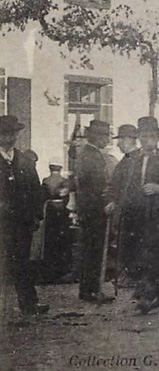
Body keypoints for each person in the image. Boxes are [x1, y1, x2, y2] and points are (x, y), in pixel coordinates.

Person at [105, 116, 159, 314]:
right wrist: (111, 201)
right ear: (139, 138)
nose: (148, 141)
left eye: (152, 136)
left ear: (158, 137)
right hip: (134, 218)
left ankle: (148, 296)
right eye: (144, 137)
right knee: (134, 258)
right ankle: (151, 293)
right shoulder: (130, 161)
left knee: (152, 258)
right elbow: (116, 184)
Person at [0, 115, 48, 317]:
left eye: (13, 134)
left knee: (22, 262)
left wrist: (36, 216)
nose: (9, 138)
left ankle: (29, 303)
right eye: (4, 134)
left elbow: (36, 191)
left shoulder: (25, 161)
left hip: (21, 222)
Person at [74, 120, 113, 301]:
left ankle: (88, 289)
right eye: (104, 136)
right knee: (94, 252)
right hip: (95, 210)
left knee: (90, 251)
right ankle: (92, 290)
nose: (107, 139)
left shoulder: (87, 153)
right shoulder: (92, 155)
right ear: (95, 137)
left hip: (88, 209)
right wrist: (107, 201)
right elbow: (98, 185)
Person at [41, 161, 73, 281]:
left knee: (50, 238)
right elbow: (67, 198)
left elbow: (43, 196)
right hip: (62, 211)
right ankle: (63, 268)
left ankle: (49, 269)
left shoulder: (45, 181)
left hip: (50, 210)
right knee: (63, 239)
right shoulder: (65, 181)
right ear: (60, 168)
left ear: (50, 168)